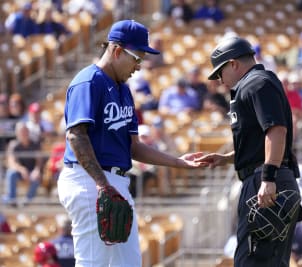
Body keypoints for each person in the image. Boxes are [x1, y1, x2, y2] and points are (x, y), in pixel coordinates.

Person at [57, 20, 207, 267]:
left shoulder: (123, 90)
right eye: (137, 58)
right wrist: (103, 185)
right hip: (88, 181)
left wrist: (178, 162)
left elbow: (134, 147)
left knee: (128, 263)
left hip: (115, 182)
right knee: (92, 263)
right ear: (117, 51)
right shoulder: (88, 82)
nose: (139, 66)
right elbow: (76, 136)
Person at [195, 36, 302, 267]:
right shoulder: (252, 84)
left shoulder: (257, 83)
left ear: (233, 63)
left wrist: (268, 178)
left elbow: (276, 130)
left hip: (265, 183)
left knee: (253, 262)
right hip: (265, 178)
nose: (220, 80)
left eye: (220, 72)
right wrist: (226, 159)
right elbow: (259, 144)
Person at [2, 121, 43, 207]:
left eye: (25, 131)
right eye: (22, 131)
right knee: (11, 173)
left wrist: (37, 170)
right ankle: (11, 200)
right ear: (17, 133)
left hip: (32, 172)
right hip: (20, 172)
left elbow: (39, 161)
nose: (24, 133)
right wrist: (22, 170)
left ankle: (27, 202)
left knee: (37, 178)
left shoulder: (35, 144)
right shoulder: (13, 145)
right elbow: (11, 162)